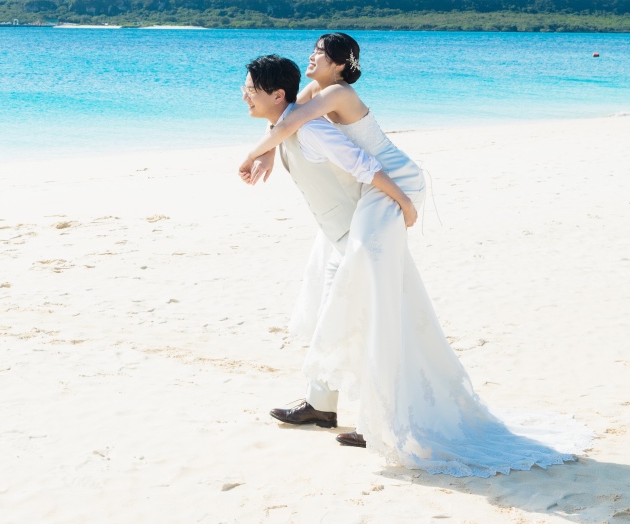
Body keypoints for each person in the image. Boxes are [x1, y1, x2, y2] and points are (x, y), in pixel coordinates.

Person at [240, 39, 591, 477]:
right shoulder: (312, 95)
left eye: (320, 52)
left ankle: (380, 418)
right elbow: (285, 119)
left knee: (373, 303)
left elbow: (305, 130)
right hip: (367, 197)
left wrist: (405, 203)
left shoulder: (337, 94)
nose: (311, 56)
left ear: (340, 64)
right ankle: (321, 403)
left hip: (394, 182)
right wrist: (267, 152)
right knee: (337, 294)